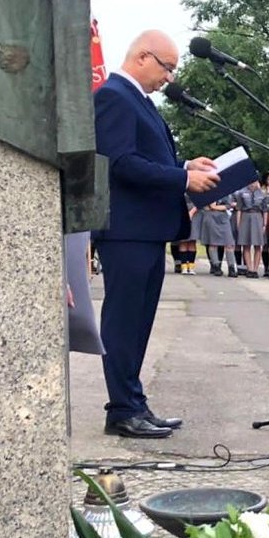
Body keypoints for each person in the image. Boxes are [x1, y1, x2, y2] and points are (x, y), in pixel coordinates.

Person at [91, 30, 218, 438]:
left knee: (139, 323)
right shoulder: (114, 96)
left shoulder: (139, 102)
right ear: (143, 57)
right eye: (167, 67)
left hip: (145, 231)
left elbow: (145, 159)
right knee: (123, 323)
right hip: (126, 231)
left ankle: (134, 403)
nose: (169, 78)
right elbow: (120, 163)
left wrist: (184, 163)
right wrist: (182, 177)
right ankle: (122, 409)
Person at [233, 180, 266, 278]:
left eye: (255, 181)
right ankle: (249, 268)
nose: (252, 184)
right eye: (251, 181)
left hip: (257, 217)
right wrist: (238, 223)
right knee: (246, 245)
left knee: (257, 245)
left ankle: (255, 269)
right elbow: (239, 209)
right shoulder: (242, 192)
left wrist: (264, 224)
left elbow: (265, 210)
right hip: (245, 216)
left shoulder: (262, 194)